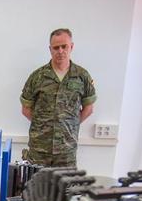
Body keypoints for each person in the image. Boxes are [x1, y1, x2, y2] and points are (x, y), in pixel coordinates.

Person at [21, 28, 96, 168]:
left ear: (71, 47)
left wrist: (69, 125)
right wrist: (44, 124)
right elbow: (26, 109)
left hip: (66, 150)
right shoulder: (37, 77)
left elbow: (88, 108)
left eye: (64, 46)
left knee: (65, 189)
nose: (60, 51)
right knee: (37, 189)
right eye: (56, 47)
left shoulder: (82, 76)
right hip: (39, 149)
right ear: (50, 49)